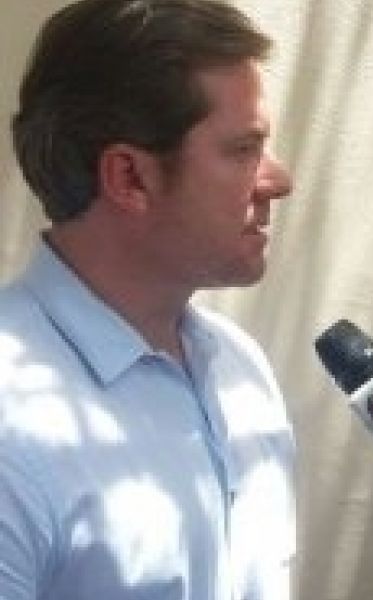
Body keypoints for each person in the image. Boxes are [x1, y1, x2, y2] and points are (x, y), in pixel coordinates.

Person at [0, 0, 295, 598]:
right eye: (243, 150)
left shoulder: (240, 370)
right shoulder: (12, 426)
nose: (278, 181)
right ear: (129, 177)